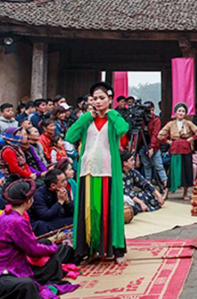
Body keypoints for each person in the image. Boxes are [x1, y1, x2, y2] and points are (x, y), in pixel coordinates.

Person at [0, 178, 78, 299]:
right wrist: (53, 248)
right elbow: (33, 250)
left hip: (9, 263)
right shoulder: (16, 220)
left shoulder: (8, 214)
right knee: (30, 281)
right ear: (29, 201)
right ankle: (52, 278)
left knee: (47, 244)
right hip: (1, 272)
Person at [65, 81, 129, 264]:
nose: (98, 102)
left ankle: (114, 249)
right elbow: (70, 136)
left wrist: (111, 113)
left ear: (110, 99)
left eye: (102, 98)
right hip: (87, 170)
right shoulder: (87, 120)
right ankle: (89, 249)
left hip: (107, 169)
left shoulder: (113, 118)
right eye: (95, 98)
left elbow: (123, 129)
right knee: (89, 209)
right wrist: (86, 117)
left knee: (107, 210)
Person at [157, 102, 197, 200]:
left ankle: (185, 193)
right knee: (173, 171)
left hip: (186, 149)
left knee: (186, 171)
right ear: (176, 112)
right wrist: (169, 142)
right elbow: (160, 135)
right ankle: (166, 193)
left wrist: (191, 139)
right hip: (175, 149)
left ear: (185, 113)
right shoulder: (171, 124)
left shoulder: (188, 123)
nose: (181, 113)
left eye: (183, 111)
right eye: (179, 111)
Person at [29, 168, 74, 235]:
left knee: (76, 219)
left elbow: (72, 213)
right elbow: (45, 216)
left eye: (65, 180)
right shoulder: (39, 195)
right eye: (62, 181)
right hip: (45, 223)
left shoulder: (64, 190)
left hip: (59, 219)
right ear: (53, 186)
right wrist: (59, 202)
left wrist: (67, 202)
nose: (65, 183)